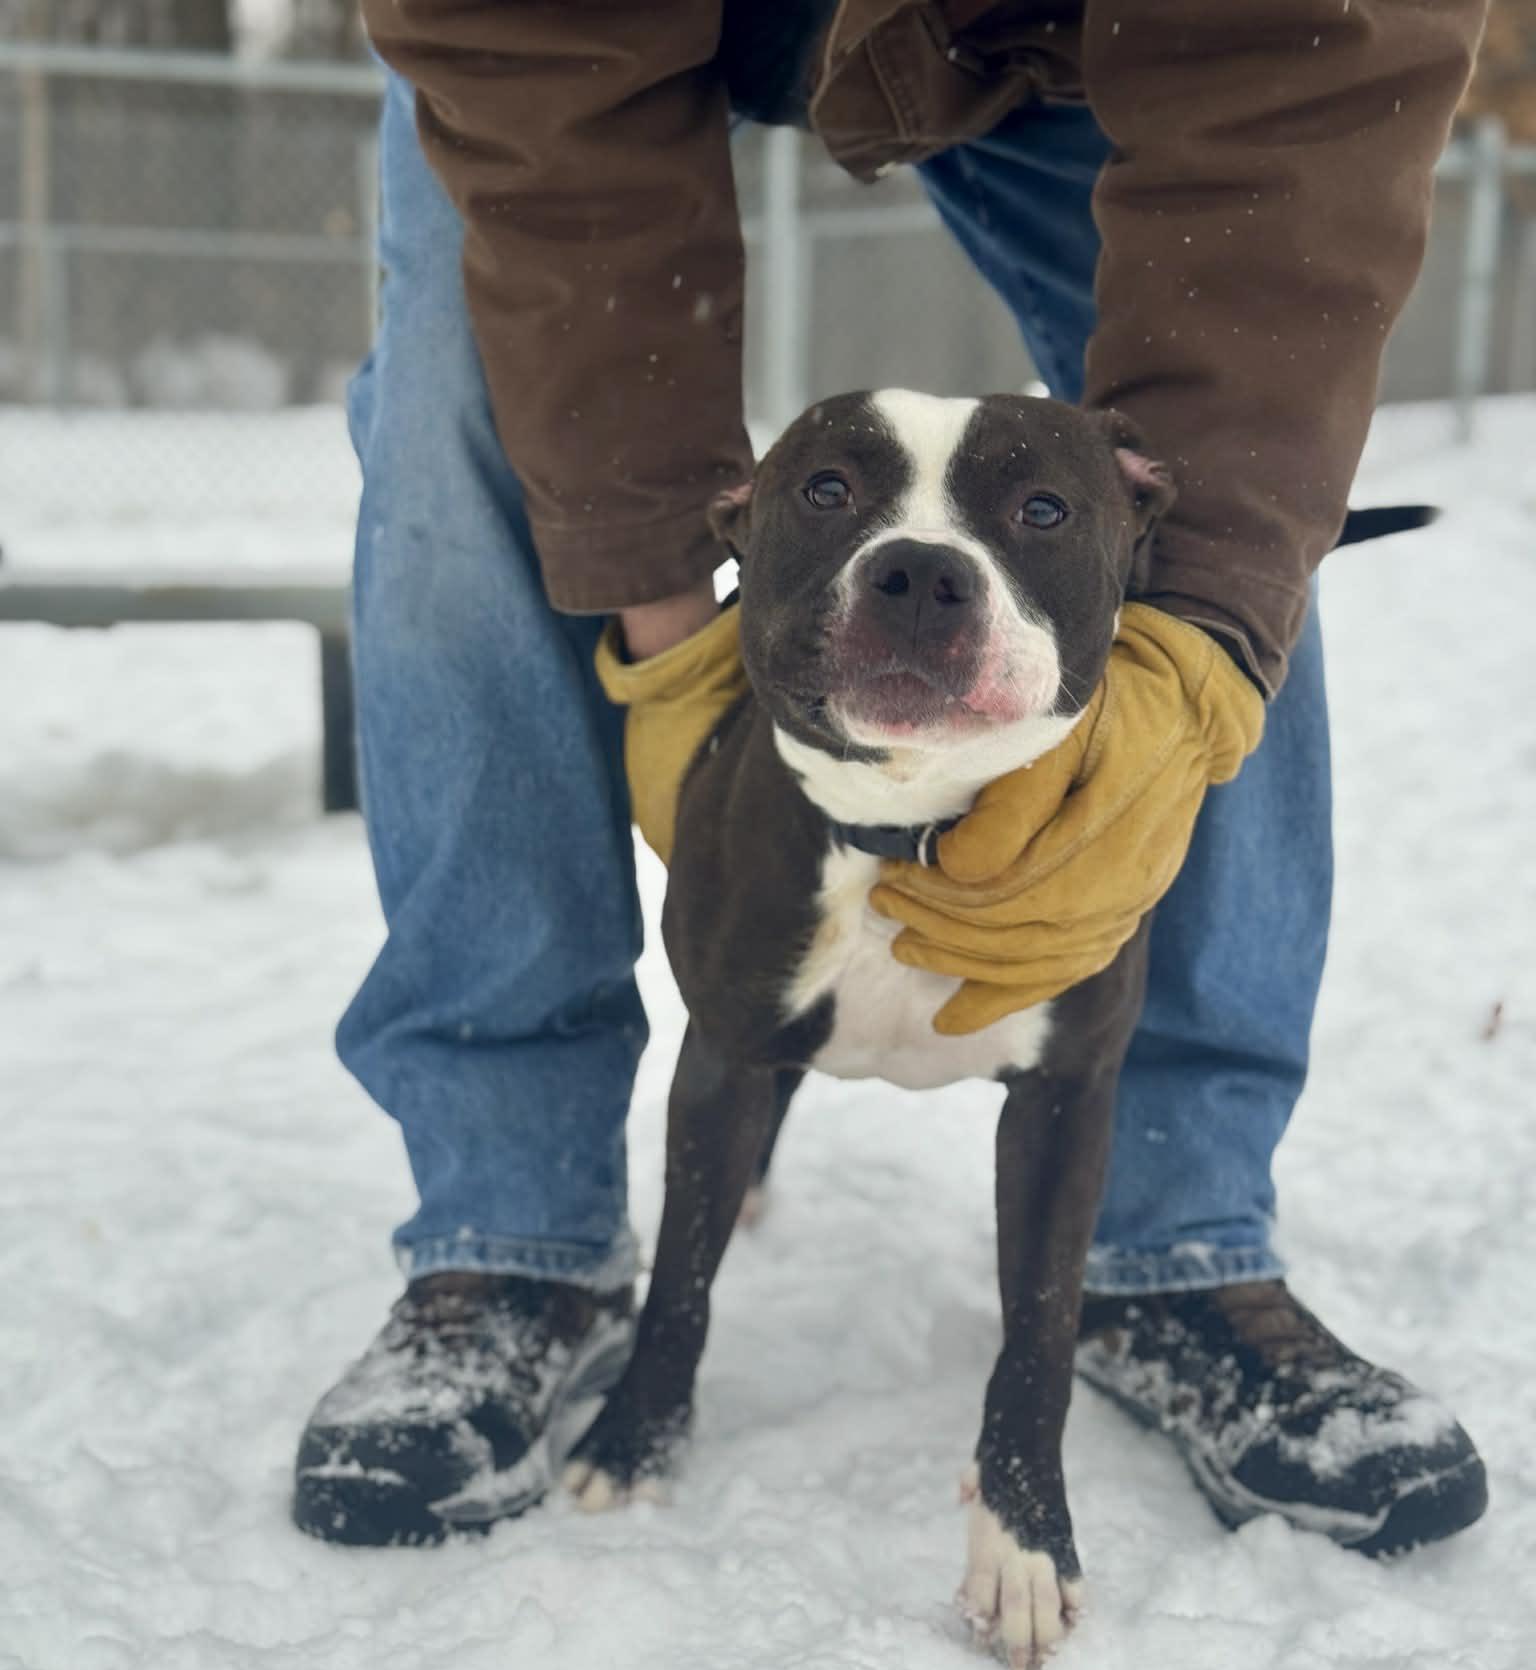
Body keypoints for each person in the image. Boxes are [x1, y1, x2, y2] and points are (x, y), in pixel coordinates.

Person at [292, 2, 1489, 1555]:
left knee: (1234, 481)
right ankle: (504, 1226)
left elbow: (1311, 76)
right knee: (469, 398)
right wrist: (664, 617)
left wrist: (1195, 653)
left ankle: (1176, 1233)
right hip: (565, 33)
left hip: (1107, 23)